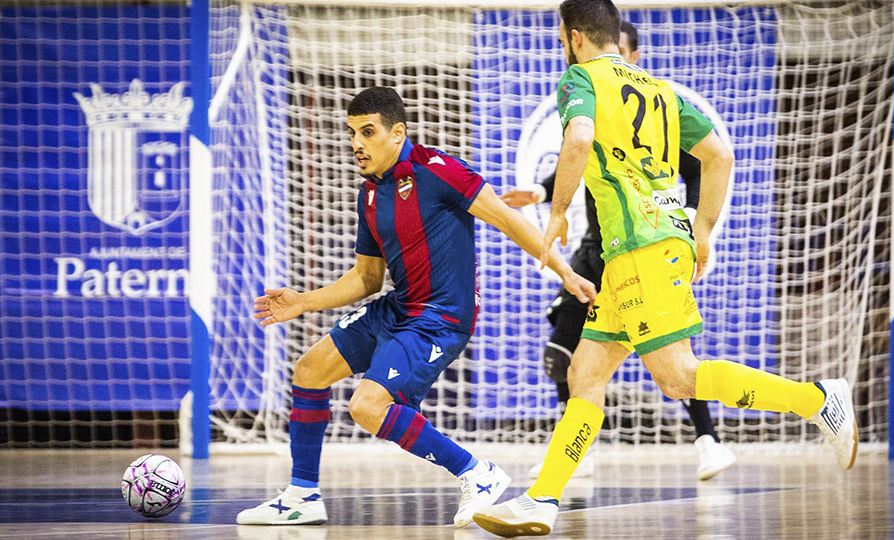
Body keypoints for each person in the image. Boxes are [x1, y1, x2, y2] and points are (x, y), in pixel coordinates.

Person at [474, 1, 857, 536]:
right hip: (641, 248)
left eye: (562, 38)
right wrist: (701, 228)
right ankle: (542, 500)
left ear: (575, 36)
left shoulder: (579, 79)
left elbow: (579, 139)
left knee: (678, 377)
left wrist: (556, 212)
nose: (562, 47)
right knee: (586, 374)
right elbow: (719, 154)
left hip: (642, 248)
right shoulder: (661, 89)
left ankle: (818, 400)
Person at [236, 87, 597, 528]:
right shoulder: (369, 193)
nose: (356, 144)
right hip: (400, 307)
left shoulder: (438, 171)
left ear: (397, 132)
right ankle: (302, 496)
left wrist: (565, 272)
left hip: (441, 317)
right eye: (352, 133)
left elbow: (508, 219)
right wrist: (303, 302)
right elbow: (366, 279)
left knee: (367, 406)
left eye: (367, 132)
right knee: (309, 370)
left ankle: (476, 472)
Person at [501, 20, 735, 483]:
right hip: (600, 250)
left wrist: (695, 220)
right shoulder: (601, 101)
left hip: (644, 242)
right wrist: (543, 194)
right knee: (568, 358)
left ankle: (716, 436)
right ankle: (559, 474)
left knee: (673, 368)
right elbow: (579, 154)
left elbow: (705, 162)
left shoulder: (640, 100)